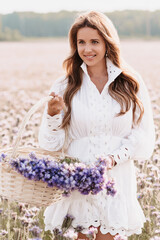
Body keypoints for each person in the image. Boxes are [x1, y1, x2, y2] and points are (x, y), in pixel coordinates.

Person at [38, 11, 155, 240]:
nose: (87, 49)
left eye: (94, 42)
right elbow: (51, 144)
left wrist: (114, 158)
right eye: (81, 42)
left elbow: (142, 135)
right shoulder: (65, 85)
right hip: (77, 183)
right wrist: (52, 115)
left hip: (116, 180)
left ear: (107, 43)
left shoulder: (130, 83)